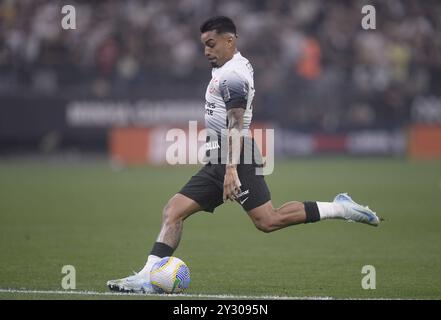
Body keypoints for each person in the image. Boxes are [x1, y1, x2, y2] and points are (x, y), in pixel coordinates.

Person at [107, 16, 381, 293]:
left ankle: (340, 207)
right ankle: (148, 276)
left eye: (211, 44)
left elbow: (237, 122)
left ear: (230, 40)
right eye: (204, 45)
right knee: (173, 211)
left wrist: (230, 170)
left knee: (268, 221)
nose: (206, 51)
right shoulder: (227, 66)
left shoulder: (233, 75)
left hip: (236, 157)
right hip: (219, 157)